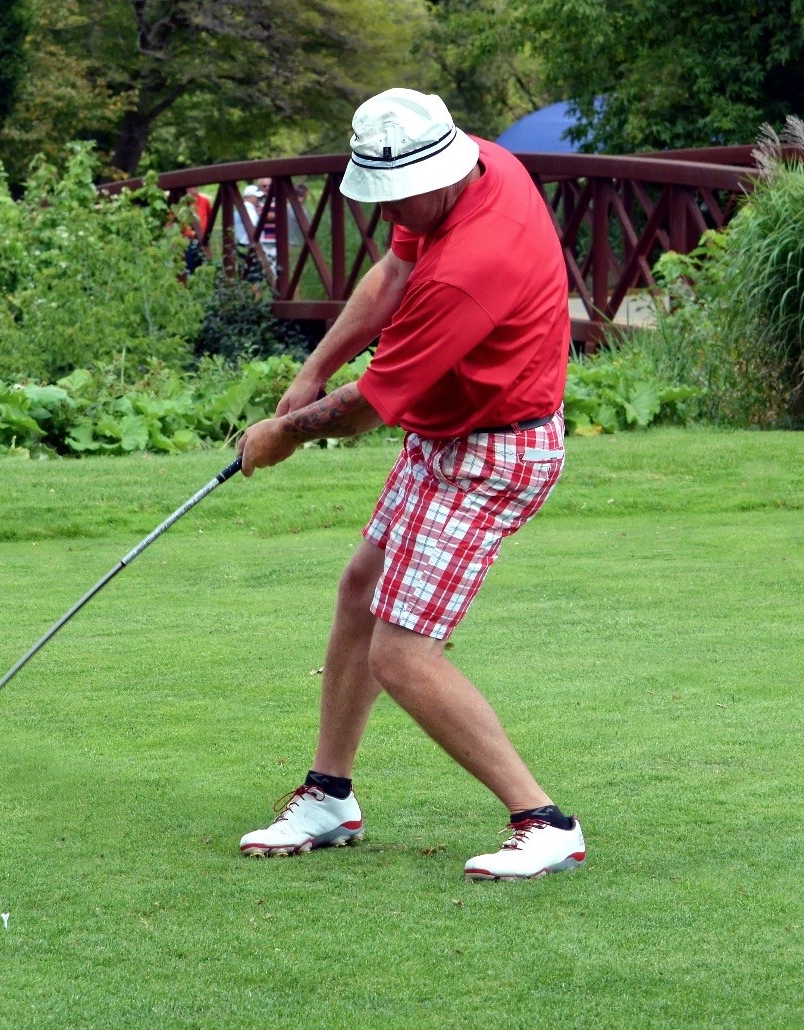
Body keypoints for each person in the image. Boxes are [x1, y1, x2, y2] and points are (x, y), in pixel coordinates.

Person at [234, 88, 583, 881]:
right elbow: (393, 270)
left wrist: (282, 434)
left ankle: (544, 820)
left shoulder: (470, 265)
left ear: (437, 174)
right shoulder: (473, 165)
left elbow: (364, 411)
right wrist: (312, 366)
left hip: (495, 455)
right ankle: (329, 797)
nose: (386, 207)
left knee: (401, 652)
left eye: (395, 196)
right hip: (449, 435)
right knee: (361, 588)